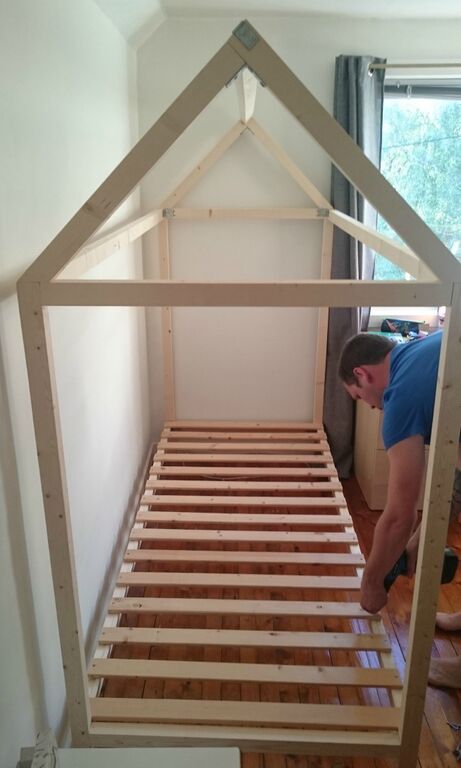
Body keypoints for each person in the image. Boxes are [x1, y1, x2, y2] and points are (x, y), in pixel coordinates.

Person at [338, 330, 461, 687]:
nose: (372, 406)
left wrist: (372, 582)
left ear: (362, 374)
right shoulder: (423, 351)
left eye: (360, 397)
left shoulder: (400, 396)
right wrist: (421, 538)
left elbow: (397, 516)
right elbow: (455, 464)